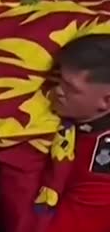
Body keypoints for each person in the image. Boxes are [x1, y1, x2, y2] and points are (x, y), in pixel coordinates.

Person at [44, 34, 110, 232]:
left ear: (106, 101)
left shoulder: (100, 174)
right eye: (58, 78)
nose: (58, 90)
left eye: (70, 87)